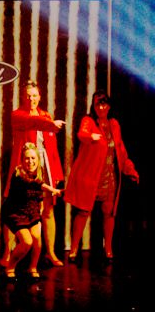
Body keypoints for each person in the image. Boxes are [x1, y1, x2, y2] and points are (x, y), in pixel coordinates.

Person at [64, 93, 139, 263]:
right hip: (91, 175)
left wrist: (130, 170)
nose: (101, 108)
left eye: (104, 105)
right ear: (93, 106)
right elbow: (81, 133)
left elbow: (120, 150)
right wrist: (91, 136)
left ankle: (109, 250)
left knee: (109, 213)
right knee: (83, 211)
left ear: (109, 106)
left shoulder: (114, 124)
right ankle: (74, 248)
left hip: (109, 176)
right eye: (98, 105)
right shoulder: (89, 121)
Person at [5, 80, 66, 267]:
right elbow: (33, 122)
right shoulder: (18, 115)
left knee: (48, 210)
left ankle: (51, 253)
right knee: (15, 209)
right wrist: (50, 123)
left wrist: (57, 173)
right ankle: (8, 254)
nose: (32, 99)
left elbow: (52, 149)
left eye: (35, 95)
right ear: (23, 97)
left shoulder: (45, 115)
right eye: (28, 95)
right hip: (23, 168)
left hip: (45, 166)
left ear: (39, 97)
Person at [1, 143, 62, 280]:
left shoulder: (38, 171)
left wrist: (39, 207)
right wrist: (53, 190)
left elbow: (38, 193)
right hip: (16, 212)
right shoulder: (18, 173)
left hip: (32, 211)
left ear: (37, 159)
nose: (30, 161)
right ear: (22, 160)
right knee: (27, 242)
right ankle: (10, 266)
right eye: (27, 159)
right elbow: (35, 184)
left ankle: (32, 267)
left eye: (33, 158)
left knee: (37, 240)